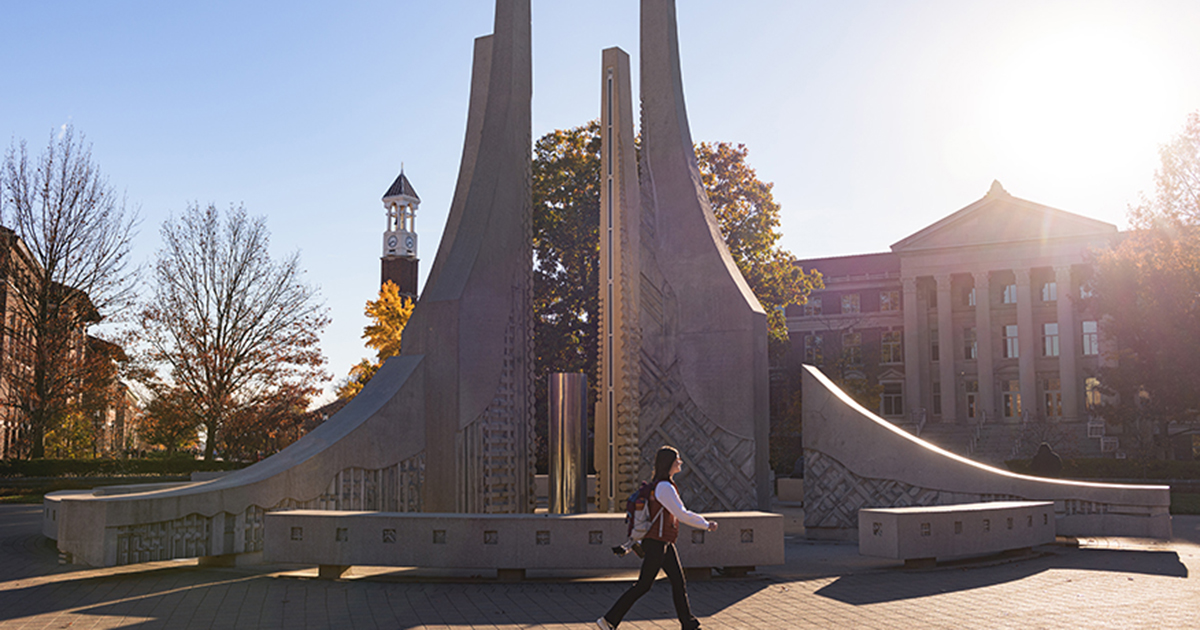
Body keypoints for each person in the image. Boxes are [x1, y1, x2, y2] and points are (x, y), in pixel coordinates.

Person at [597, 446, 717, 630]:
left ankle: (689, 624)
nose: (680, 462)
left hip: (663, 542)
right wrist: (706, 524)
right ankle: (609, 620)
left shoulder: (663, 485)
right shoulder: (664, 487)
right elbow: (682, 514)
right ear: (668, 463)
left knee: (678, 582)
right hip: (656, 542)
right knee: (644, 585)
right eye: (677, 459)